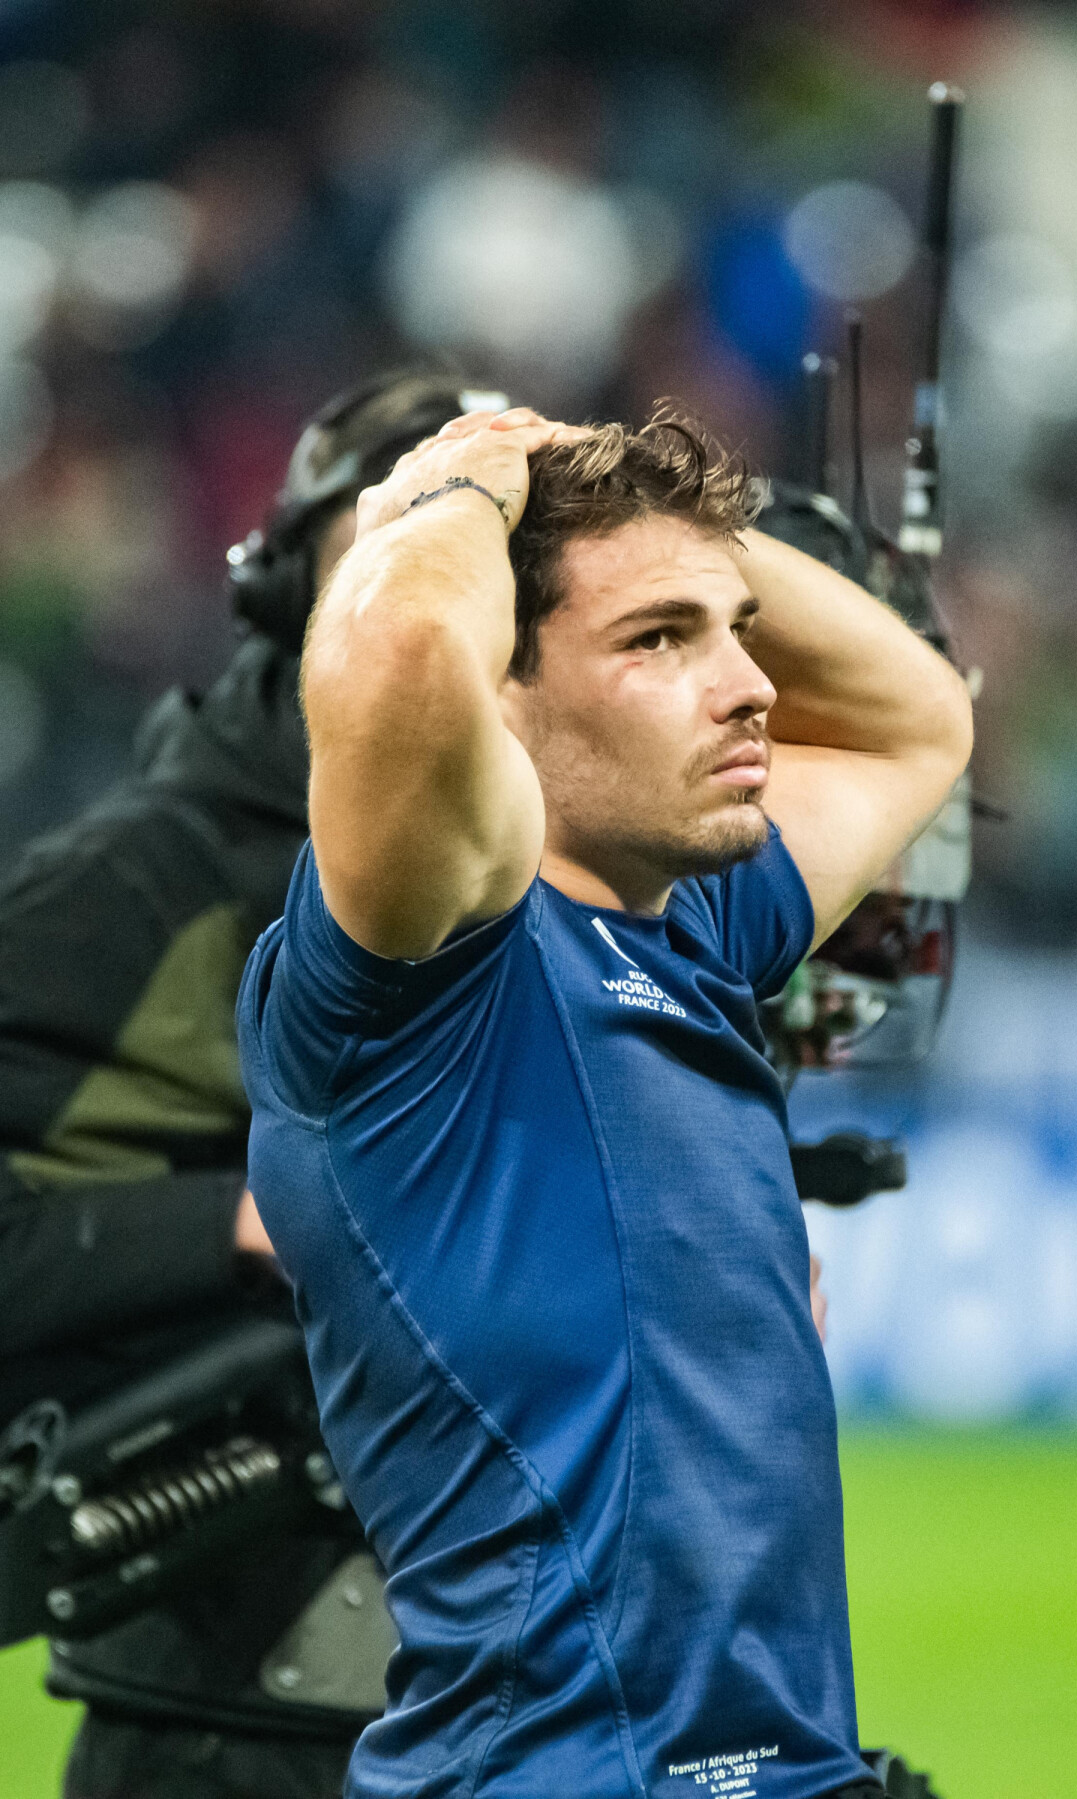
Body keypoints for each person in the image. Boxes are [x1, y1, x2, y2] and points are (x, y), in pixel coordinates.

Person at [237, 405, 973, 1797]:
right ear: (499, 699)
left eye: (738, 626)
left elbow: (914, 714)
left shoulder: (688, 922)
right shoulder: (420, 973)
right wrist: (462, 485)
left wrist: (627, 498)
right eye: (659, 642)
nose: (752, 684)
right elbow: (398, 649)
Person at [0, 369, 503, 1799]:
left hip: (524, 1688)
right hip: (229, 1709)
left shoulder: (558, 883)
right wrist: (243, 1218)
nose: (434, 623)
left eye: (486, 575)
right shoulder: (131, 886)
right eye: (398, 561)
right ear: (292, 595)